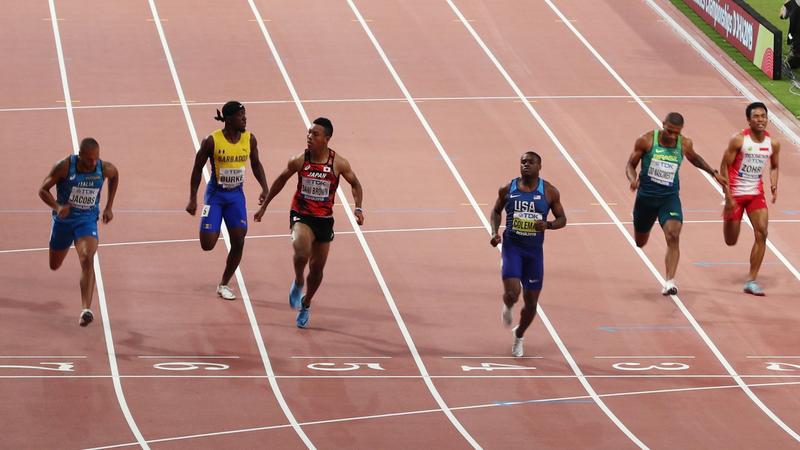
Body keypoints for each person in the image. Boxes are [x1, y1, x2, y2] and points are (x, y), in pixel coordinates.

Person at [254, 117, 364, 328]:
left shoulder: (338, 163)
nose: (309, 137)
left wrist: (358, 207)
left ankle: (306, 302)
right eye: (309, 133)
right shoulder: (299, 159)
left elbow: (356, 184)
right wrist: (265, 205)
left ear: (327, 139)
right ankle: (297, 281)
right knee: (302, 251)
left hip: (324, 220)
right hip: (301, 215)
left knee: (316, 270)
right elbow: (281, 180)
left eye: (315, 134)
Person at [626, 112, 726, 295]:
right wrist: (633, 180)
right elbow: (630, 165)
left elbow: (694, 158)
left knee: (673, 234)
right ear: (663, 125)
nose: (672, 136)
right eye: (669, 131)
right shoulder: (646, 141)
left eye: (676, 133)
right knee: (640, 242)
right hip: (646, 198)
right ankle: (643, 229)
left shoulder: (684, 143)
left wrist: (713, 173)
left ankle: (669, 282)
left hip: (669, 198)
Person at [186, 101, 269, 300]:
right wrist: (193, 198)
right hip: (215, 196)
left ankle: (224, 283)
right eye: (241, 116)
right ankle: (212, 223)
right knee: (207, 244)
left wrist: (265, 187)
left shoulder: (250, 139)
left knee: (239, 241)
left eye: (245, 115)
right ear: (229, 119)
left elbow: (256, 165)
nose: (245, 119)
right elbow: (197, 168)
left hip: (236, 197)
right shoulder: (211, 141)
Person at [490, 151, 566, 357]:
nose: (526, 165)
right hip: (512, 248)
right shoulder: (508, 188)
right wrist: (494, 232)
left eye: (530, 162)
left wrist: (548, 225)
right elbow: (496, 211)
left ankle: (519, 335)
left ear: (539, 167)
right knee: (513, 294)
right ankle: (508, 304)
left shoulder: (549, 192)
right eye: (523, 162)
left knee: (531, 304)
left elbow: (562, 219)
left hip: (534, 253)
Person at [38, 138, 119, 326]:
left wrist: (109, 206)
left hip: (87, 220)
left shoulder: (103, 168)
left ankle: (86, 310)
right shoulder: (64, 167)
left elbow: (115, 175)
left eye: (96, 158)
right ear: (79, 155)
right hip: (64, 221)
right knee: (54, 265)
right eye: (89, 159)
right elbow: (42, 190)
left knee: (87, 258)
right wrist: (57, 207)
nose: (93, 163)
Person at [720, 102, 781, 296]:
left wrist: (773, 184)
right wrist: (728, 196)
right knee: (730, 240)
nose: (760, 119)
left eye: (763, 116)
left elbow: (774, 166)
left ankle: (751, 280)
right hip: (736, 195)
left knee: (762, 233)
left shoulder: (773, 143)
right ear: (748, 120)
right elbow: (723, 167)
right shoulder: (739, 140)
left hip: (756, 194)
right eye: (756, 116)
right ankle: (729, 218)